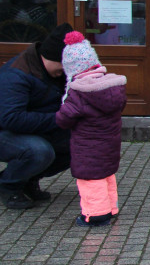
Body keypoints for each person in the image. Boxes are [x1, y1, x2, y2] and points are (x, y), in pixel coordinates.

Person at [55, 31, 127, 227]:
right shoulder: (111, 87)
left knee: (90, 181)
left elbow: (64, 119)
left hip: (87, 149)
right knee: (106, 176)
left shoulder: (78, 93)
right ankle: (111, 208)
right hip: (109, 145)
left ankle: (96, 215)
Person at [0, 22, 73, 209]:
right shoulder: (16, 74)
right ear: (52, 57)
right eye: (65, 66)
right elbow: (11, 119)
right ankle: (9, 185)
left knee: (79, 145)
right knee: (39, 151)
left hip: (33, 128)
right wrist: (59, 118)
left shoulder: (55, 73)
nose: (66, 72)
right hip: (6, 132)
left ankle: (28, 180)